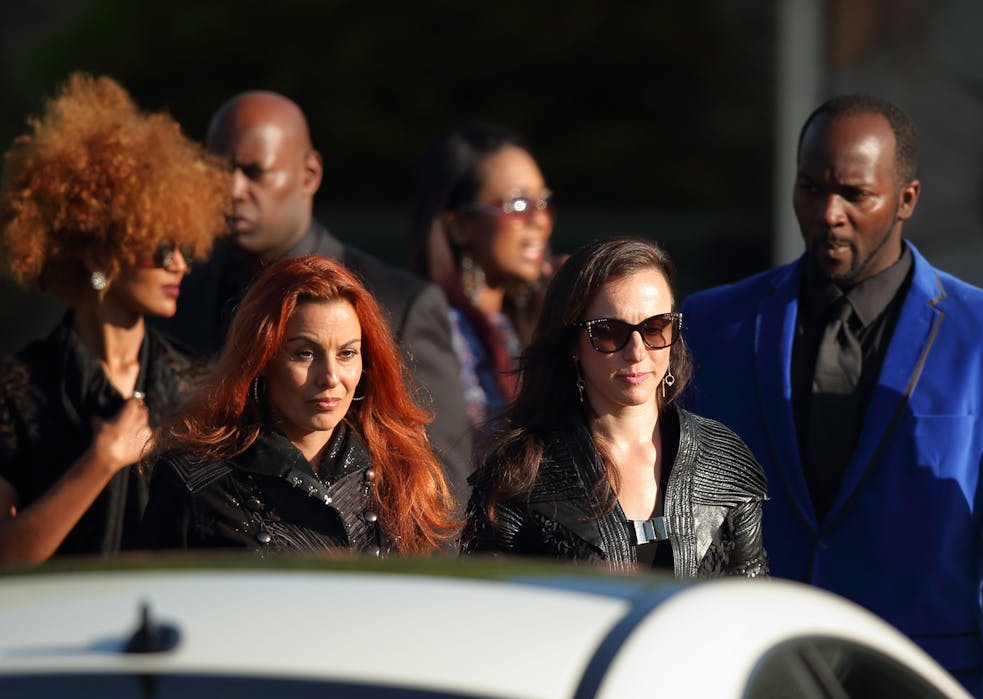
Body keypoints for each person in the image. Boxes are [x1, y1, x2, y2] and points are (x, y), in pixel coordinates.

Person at [682, 95, 983, 699]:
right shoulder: (715, 325)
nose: (828, 212)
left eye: (854, 193)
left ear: (906, 199)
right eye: (812, 187)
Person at [164, 90, 473, 505]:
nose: (232, 190)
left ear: (309, 173)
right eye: (218, 173)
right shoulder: (177, 299)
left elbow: (441, 492)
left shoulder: (401, 305)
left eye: (254, 172)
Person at [0, 73, 227, 563]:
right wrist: (99, 462)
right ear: (102, 255)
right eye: (161, 248)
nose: (180, 264)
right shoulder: (18, 392)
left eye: (184, 246)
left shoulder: (196, 386)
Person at [461, 235, 768, 578]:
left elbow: (751, 605)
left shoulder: (724, 460)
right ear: (571, 344)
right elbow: (484, 611)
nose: (636, 351)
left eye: (656, 328)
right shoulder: (518, 471)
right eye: (608, 332)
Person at [142, 255, 457, 555]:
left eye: (347, 354)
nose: (330, 377)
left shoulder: (402, 470)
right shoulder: (196, 483)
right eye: (305, 354)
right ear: (262, 359)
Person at [408, 124, 557, 452]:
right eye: (517, 204)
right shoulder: (429, 329)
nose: (539, 219)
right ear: (460, 226)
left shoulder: (531, 323)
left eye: (543, 201)